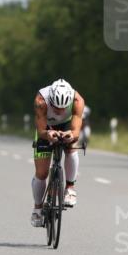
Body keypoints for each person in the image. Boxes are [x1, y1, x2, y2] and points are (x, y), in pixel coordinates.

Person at [31, 79, 85, 227]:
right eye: (55, 107)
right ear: (50, 101)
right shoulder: (41, 101)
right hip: (46, 127)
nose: (59, 111)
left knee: (71, 147)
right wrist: (47, 134)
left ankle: (70, 188)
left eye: (63, 108)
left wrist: (71, 135)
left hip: (67, 124)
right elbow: (41, 131)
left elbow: (76, 131)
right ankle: (37, 209)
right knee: (41, 173)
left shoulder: (78, 101)